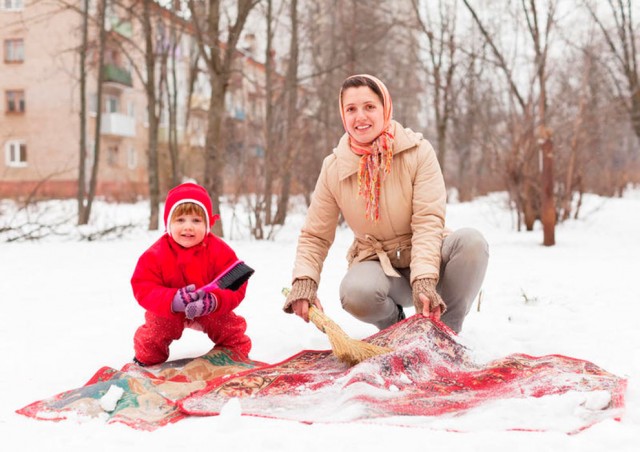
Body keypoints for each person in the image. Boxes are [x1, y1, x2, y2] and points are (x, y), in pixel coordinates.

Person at [283, 74, 489, 334]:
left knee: (472, 242)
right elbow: (315, 234)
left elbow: (428, 221)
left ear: (385, 108)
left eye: (369, 106)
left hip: (427, 256)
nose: (360, 117)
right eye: (351, 109)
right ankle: (396, 330)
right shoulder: (335, 167)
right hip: (380, 266)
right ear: (342, 114)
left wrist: (425, 279)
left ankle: (446, 332)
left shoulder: (418, 152)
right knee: (355, 292)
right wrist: (304, 282)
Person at [131, 182, 251, 366]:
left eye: (196, 220)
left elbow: (237, 284)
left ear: (207, 224)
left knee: (228, 325)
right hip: (169, 311)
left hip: (208, 308)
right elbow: (143, 286)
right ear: (169, 224)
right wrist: (172, 300)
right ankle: (147, 360)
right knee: (155, 331)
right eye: (180, 220)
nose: (188, 227)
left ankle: (234, 354)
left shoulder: (219, 250)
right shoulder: (155, 254)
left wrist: (215, 301)